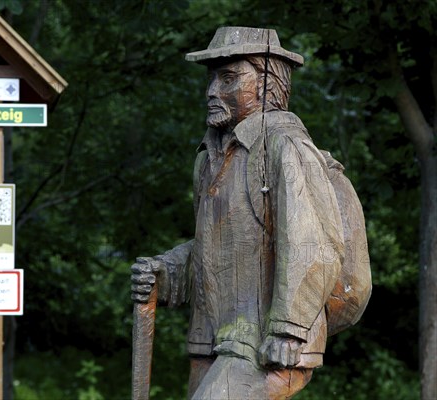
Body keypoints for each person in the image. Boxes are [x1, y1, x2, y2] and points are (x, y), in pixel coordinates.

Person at [131, 27, 345, 399]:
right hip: (212, 338)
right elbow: (217, 247)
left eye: (229, 78)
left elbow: (313, 243)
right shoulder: (209, 157)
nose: (212, 91)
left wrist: (288, 328)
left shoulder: (284, 146)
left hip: (264, 342)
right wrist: (164, 272)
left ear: (267, 84)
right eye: (211, 78)